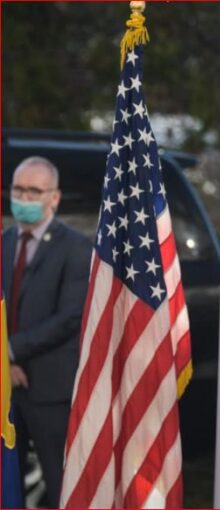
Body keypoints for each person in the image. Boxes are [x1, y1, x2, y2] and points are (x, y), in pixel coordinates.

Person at [1, 156, 92, 507]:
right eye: (18, 189)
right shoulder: (4, 241)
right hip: (5, 386)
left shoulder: (76, 248)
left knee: (59, 483)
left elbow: (68, 317)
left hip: (50, 390)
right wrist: (6, 362)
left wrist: (10, 350)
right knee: (8, 485)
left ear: (54, 197)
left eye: (34, 191)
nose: (24, 198)